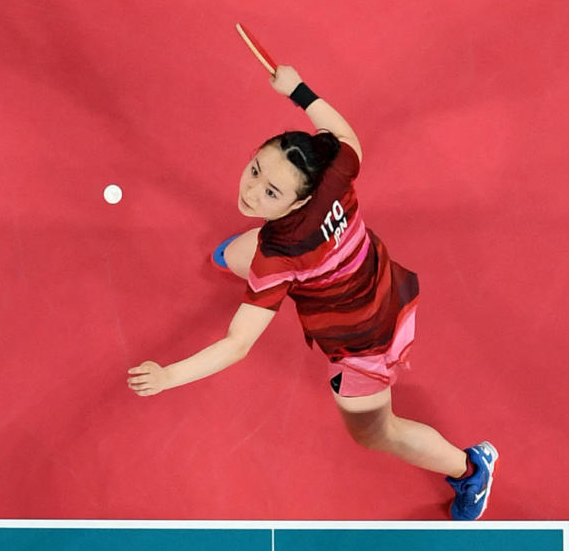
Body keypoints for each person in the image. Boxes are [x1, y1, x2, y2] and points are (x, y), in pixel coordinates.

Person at [128, 64, 498, 520]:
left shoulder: (278, 255)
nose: (251, 191)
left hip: (366, 339)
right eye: (256, 169)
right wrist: (298, 92)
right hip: (372, 272)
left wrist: (168, 377)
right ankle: (236, 259)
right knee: (241, 254)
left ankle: (470, 468)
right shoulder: (336, 172)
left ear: (300, 201)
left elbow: (237, 344)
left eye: (270, 192)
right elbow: (345, 135)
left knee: (375, 432)